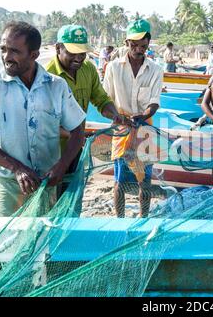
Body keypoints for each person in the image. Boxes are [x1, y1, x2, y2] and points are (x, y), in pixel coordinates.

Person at [0, 21, 86, 217]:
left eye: (14, 51)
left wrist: (62, 165)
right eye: (3, 49)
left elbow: (78, 130)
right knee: (7, 243)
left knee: (41, 242)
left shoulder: (57, 86)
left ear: (34, 55)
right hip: (8, 182)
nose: (7, 57)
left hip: (45, 183)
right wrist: (17, 168)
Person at [45, 25, 121, 200]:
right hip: (51, 153)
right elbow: (44, 123)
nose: (78, 58)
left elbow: (101, 99)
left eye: (82, 53)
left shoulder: (88, 69)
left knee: (73, 198)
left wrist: (115, 115)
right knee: (52, 201)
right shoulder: (47, 76)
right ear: (58, 48)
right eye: (72, 52)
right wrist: (75, 136)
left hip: (76, 150)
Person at [103, 19, 162, 218]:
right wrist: (117, 117)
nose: (138, 50)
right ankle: (120, 219)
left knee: (144, 180)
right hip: (121, 128)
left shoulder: (155, 69)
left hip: (145, 127)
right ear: (126, 42)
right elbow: (105, 100)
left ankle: (143, 217)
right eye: (134, 45)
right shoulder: (113, 68)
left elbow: (154, 103)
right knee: (119, 180)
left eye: (143, 46)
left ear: (148, 43)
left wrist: (143, 116)